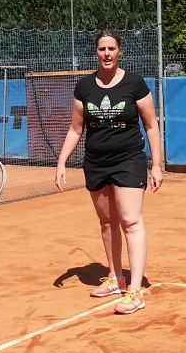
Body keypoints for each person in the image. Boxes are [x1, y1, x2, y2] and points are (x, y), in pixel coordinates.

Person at [55, 30, 164, 316]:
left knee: (131, 221)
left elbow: (151, 125)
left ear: (119, 51)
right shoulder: (84, 86)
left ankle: (135, 291)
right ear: (96, 52)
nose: (106, 54)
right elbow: (76, 128)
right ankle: (116, 278)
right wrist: (62, 162)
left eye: (111, 49)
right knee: (107, 222)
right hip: (96, 162)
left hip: (128, 160)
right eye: (102, 49)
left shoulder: (134, 83)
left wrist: (156, 165)